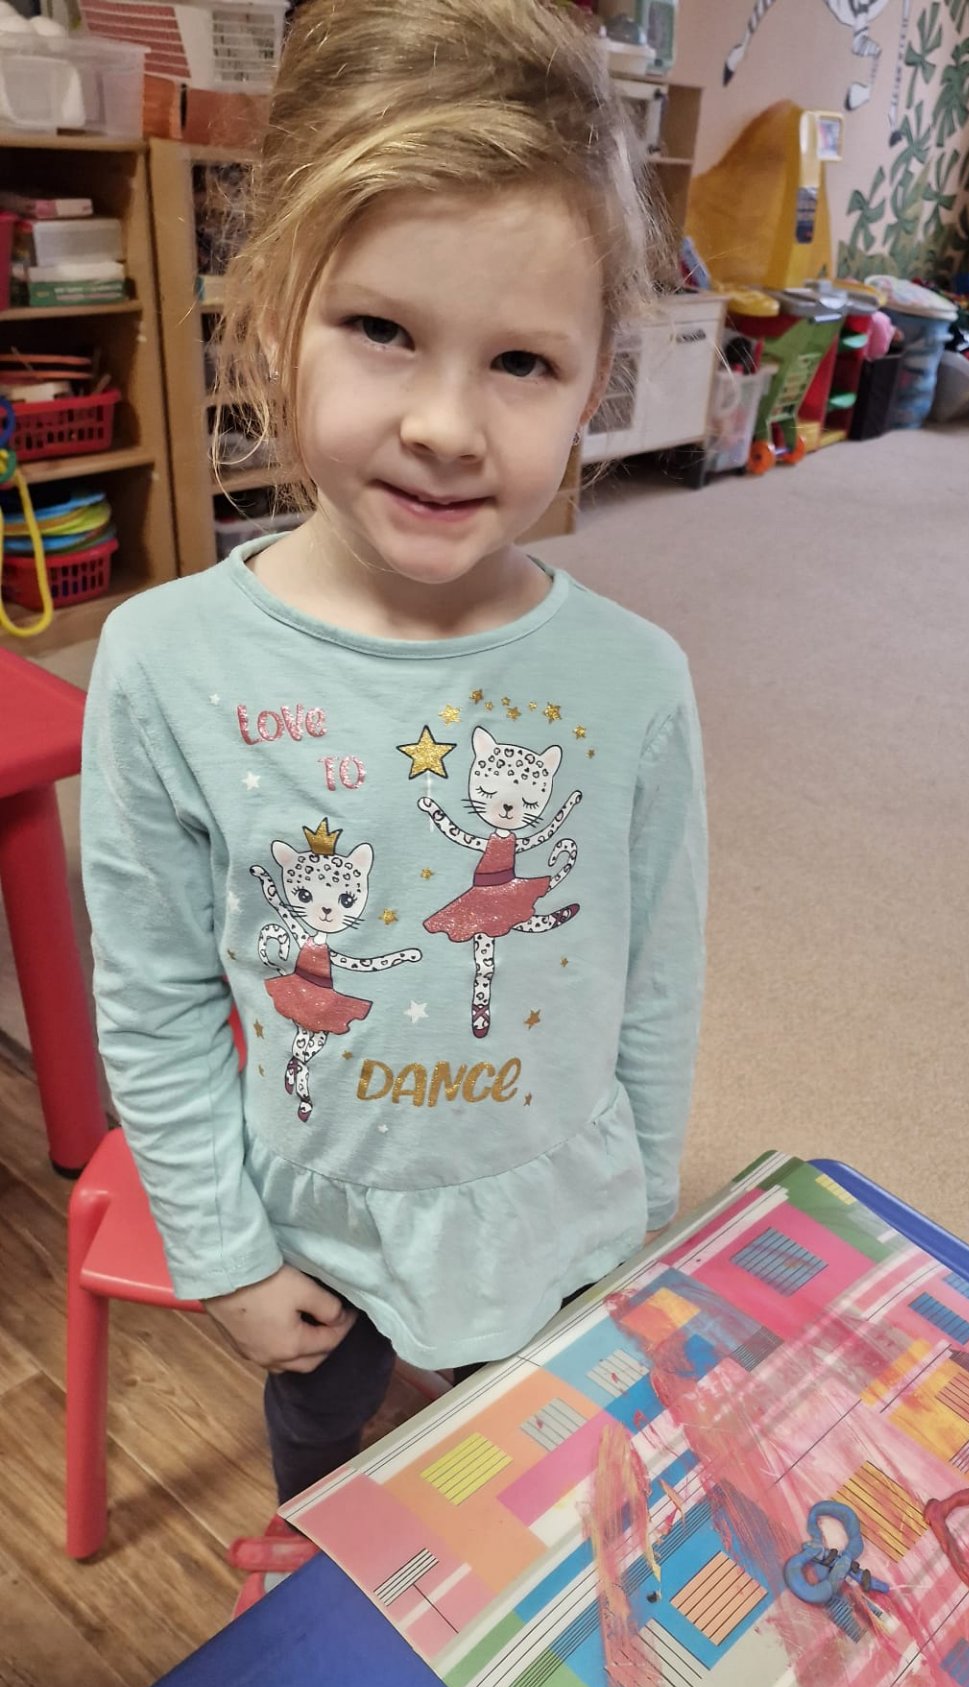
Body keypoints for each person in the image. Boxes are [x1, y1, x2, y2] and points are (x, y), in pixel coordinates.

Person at [81, 0, 707, 1523]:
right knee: (331, 1492)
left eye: (523, 361)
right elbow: (154, 998)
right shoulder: (164, 661)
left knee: (537, 1498)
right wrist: (224, 1253)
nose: (445, 425)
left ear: (594, 383)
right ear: (272, 313)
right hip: (312, 1241)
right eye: (382, 331)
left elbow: (656, 974)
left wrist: (643, 1208)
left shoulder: (637, 682)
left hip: (558, 1223)